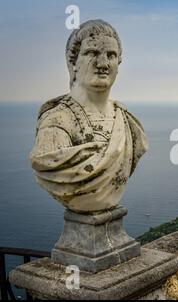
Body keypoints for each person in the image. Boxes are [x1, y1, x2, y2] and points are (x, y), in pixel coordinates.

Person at [30, 20, 149, 212]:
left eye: (111, 55)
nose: (102, 63)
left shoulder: (127, 120)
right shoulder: (57, 121)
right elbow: (45, 161)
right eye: (92, 53)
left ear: (118, 63)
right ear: (73, 63)